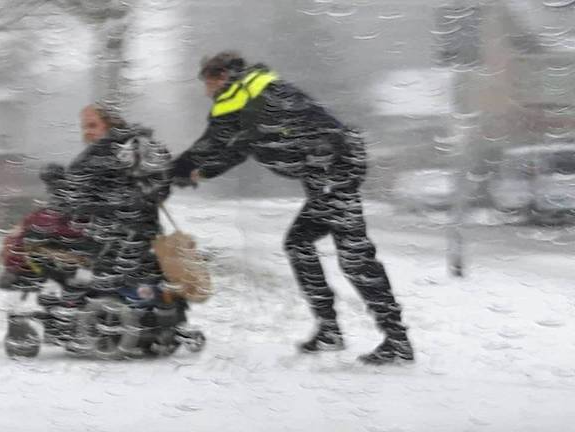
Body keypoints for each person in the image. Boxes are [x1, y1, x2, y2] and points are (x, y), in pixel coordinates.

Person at [172, 51, 414, 364]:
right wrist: (199, 174)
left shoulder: (239, 97)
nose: (205, 92)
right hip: (331, 170)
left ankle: (395, 340)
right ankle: (333, 330)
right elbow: (236, 150)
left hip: (331, 173)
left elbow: (212, 144)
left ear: (219, 77)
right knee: (300, 243)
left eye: (206, 82)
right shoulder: (256, 93)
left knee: (354, 258)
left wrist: (171, 170)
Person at [51, 103, 174, 299]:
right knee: (141, 297)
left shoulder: (104, 154)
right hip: (140, 239)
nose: (87, 132)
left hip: (111, 242)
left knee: (102, 297)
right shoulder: (137, 147)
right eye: (84, 127)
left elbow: (70, 200)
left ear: (111, 124)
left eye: (92, 126)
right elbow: (158, 189)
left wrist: (57, 187)